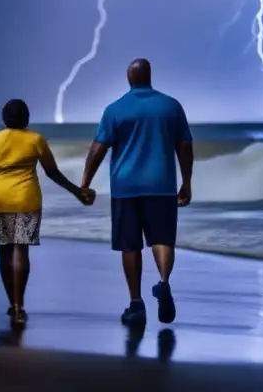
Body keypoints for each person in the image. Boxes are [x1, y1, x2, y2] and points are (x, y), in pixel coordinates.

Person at [80, 58, 193, 326]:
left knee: (130, 245)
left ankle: (136, 304)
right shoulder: (171, 106)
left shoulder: (116, 108)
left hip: (125, 187)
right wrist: (186, 182)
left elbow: (98, 148)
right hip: (161, 185)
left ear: (129, 78)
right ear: (150, 76)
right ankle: (164, 283)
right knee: (162, 239)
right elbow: (185, 146)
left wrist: (85, 182)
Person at [0, 98, 94, 326]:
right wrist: (77, 191)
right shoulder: (35, 139)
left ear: (4, 118)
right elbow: (53, 172)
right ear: (27, 118)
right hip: (24, 198)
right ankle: (20, 306)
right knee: (21, 249)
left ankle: (12, 303)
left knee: (4, 250)